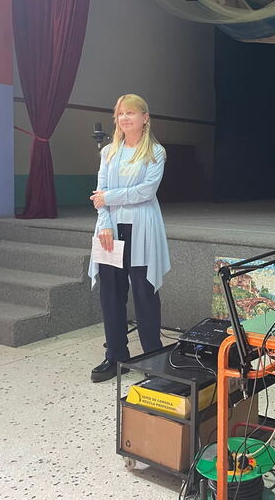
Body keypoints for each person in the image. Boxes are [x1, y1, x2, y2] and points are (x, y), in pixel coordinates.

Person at [87, 93, 171, 383]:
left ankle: (153, 358)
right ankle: (115, 356)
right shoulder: (109, 152)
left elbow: (146, 191)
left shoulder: (155, 152)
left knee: (144, 293)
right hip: (109, 229)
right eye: (120, 113)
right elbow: (99, 194)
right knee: (110, 294)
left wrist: (109, 198)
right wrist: (105, 224)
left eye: (130, 113)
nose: (124, 118)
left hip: (142, 227)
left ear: (144, 118)